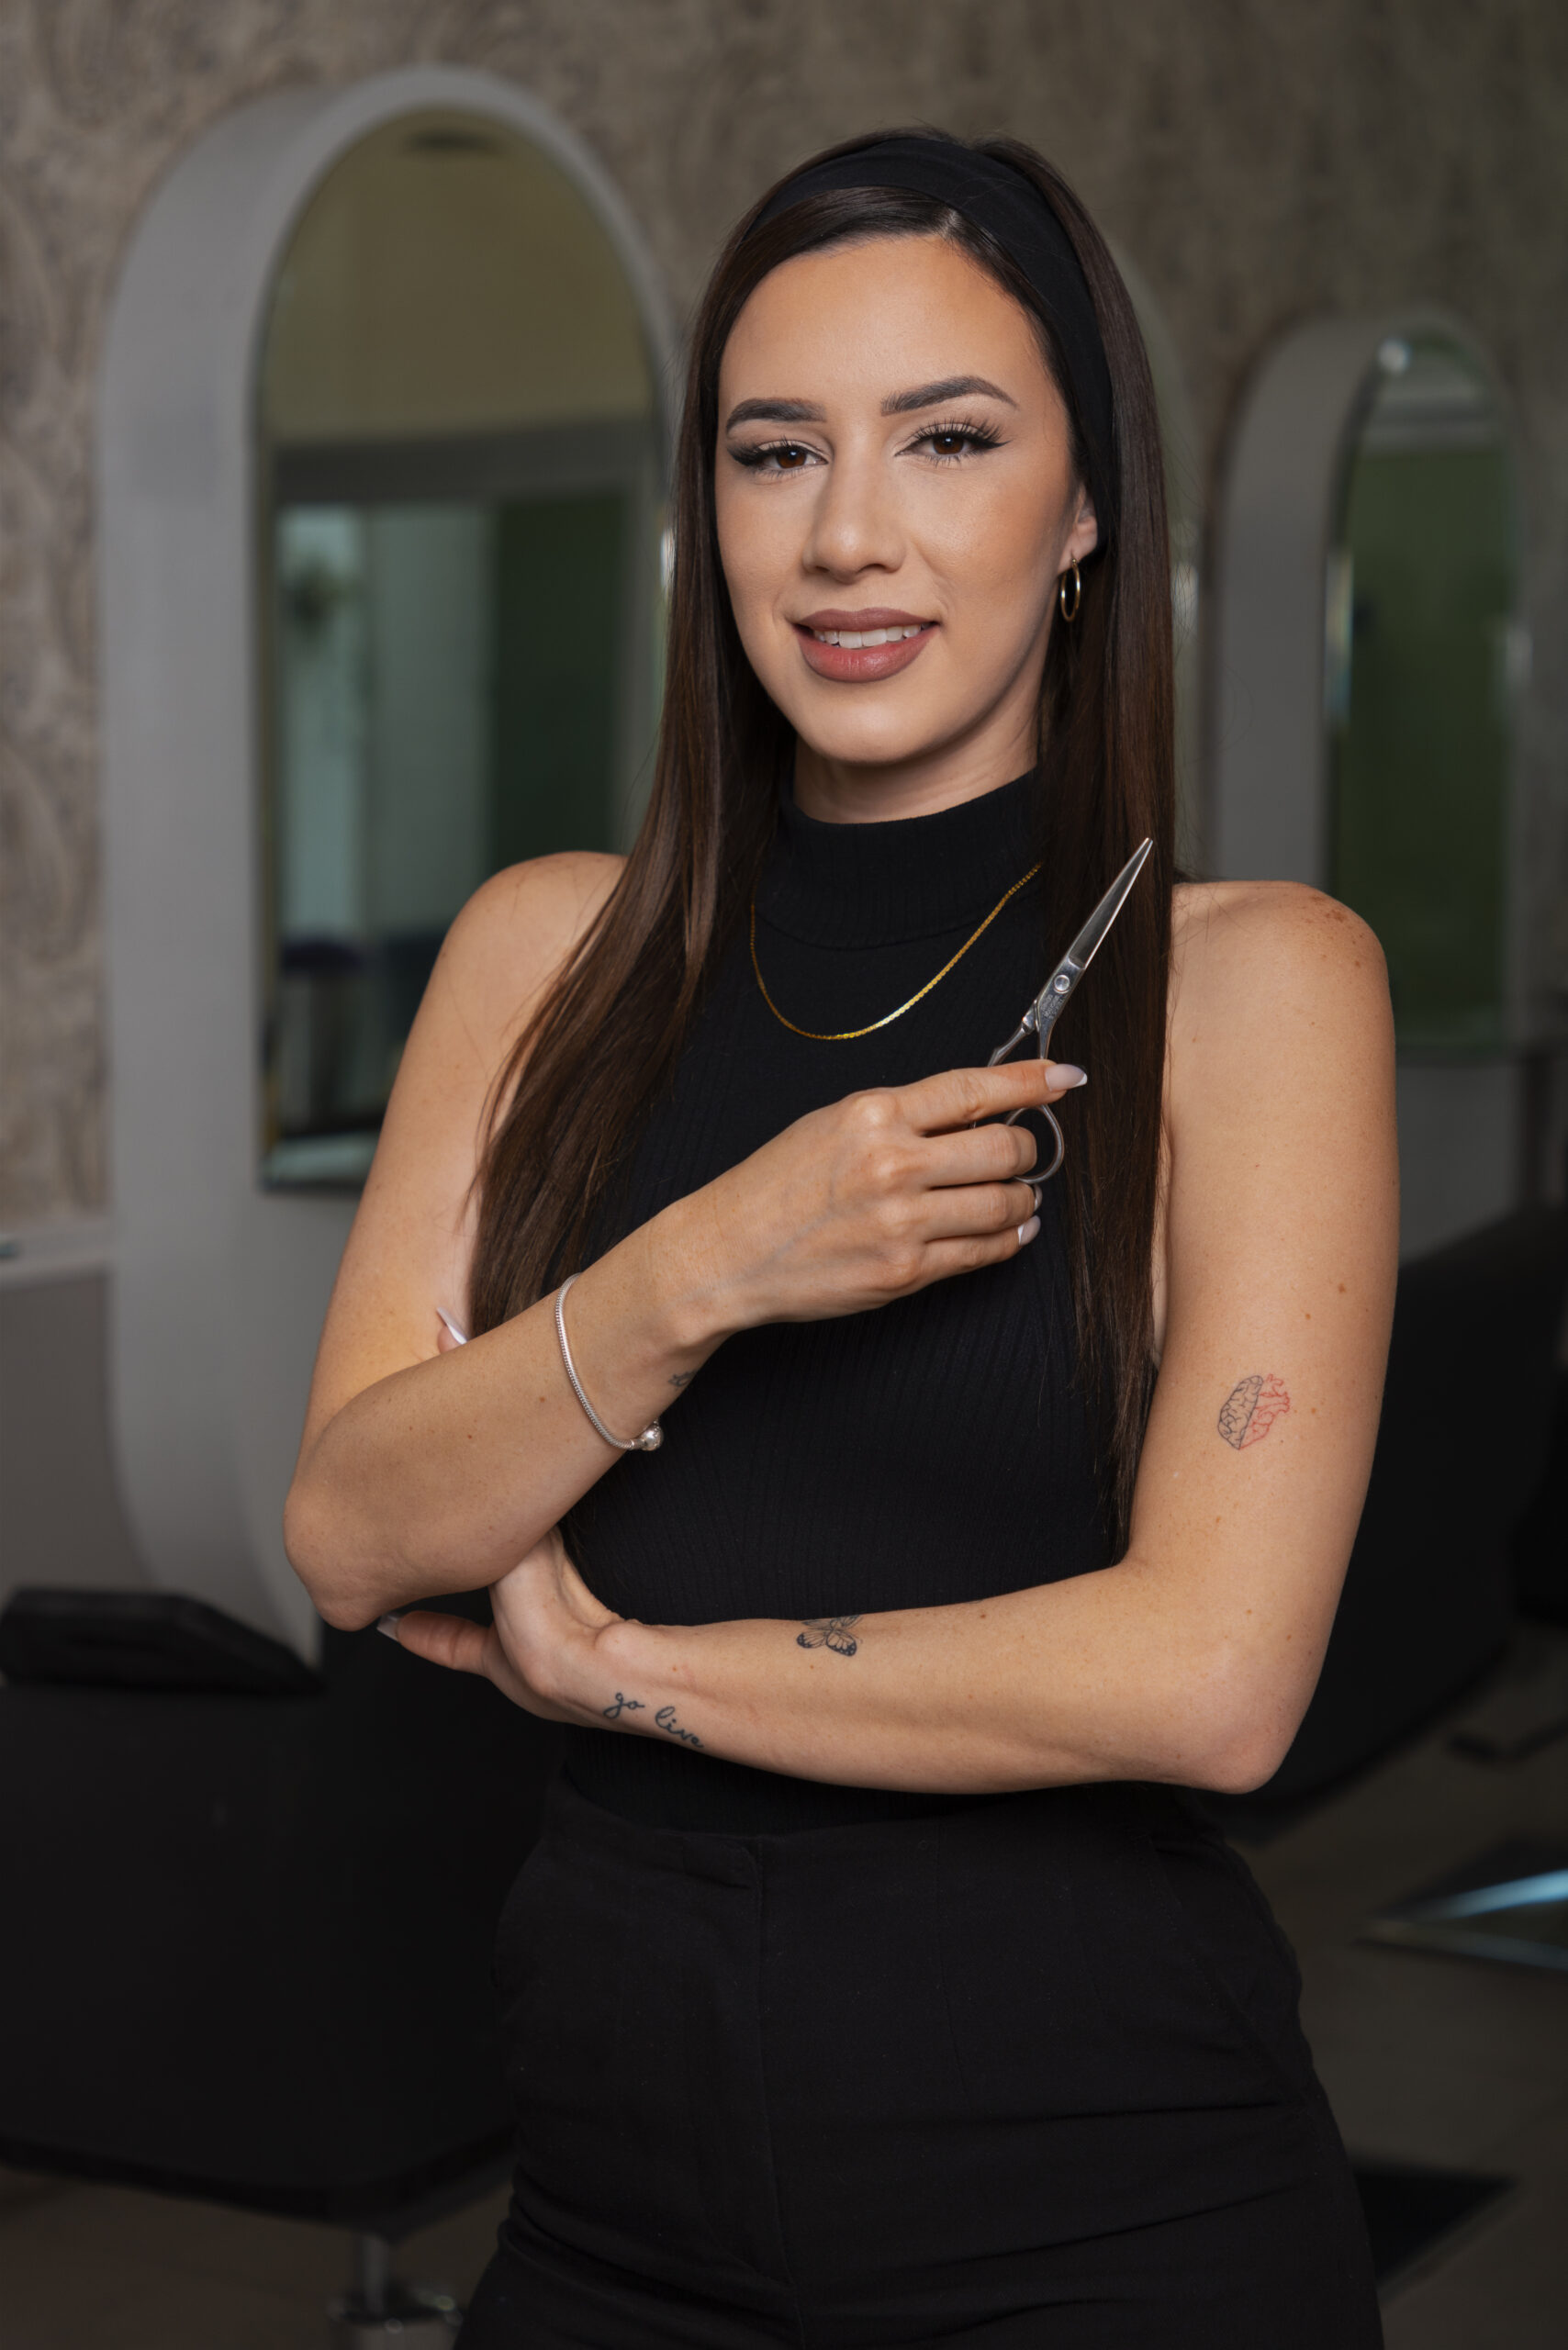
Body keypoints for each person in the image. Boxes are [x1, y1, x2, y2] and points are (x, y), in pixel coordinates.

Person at [285, 130, 1395, 2347]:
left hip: (1096, 2203)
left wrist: (629, 1671)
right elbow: (351, 1524)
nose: (845, 534)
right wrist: (707, 1265)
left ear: (1081, 510)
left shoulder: (1253, 984)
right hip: (610, 2189)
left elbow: (1208, 1676)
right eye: (774, 449)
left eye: (947, 439)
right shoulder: (543, 953)